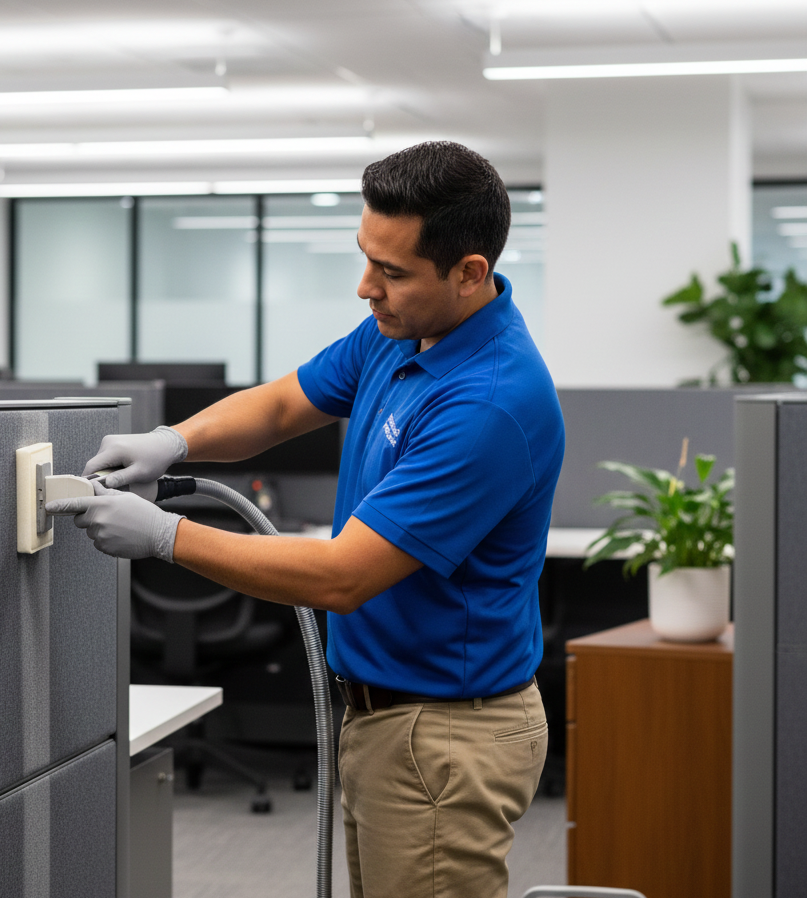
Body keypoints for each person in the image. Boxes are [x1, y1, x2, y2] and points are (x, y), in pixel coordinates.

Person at [47, 140, 565, 898]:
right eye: (365, 258)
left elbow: (345, 575)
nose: (366, 288)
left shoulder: (488, 401)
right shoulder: (405, 333)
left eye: (391, 271)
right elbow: (286, 403)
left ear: (470, 273)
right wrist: (176, 440)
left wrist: (165, 536)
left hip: (443, 732)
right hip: (389, 717)